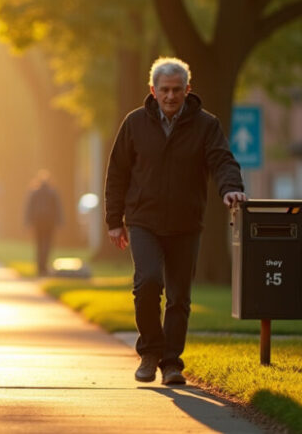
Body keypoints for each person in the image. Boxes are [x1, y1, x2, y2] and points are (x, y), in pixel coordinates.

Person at [104, 57, 246, 386]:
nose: (170, 96)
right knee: (148, 283)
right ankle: (150, 353)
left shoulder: (206, 125)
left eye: (177, 90)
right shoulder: (135, 123)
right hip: (144, 220)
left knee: (180, 297)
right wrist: (114, 220)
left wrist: (231, 189)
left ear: (188, 90)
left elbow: (222, 160)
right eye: (164, 90)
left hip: (186, 222)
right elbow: (117, 173)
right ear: (153, 91)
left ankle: (172, 363)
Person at [24, 170, 63, 277]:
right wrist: (59, 221)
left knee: (39, 244)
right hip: (49, 222)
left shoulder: (34, 192)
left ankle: (40, 267)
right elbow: (58, 208)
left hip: (37, 222)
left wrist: (28, 221)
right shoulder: (52, 192)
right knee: (47, 244)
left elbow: (29, 208)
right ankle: (44, 266)